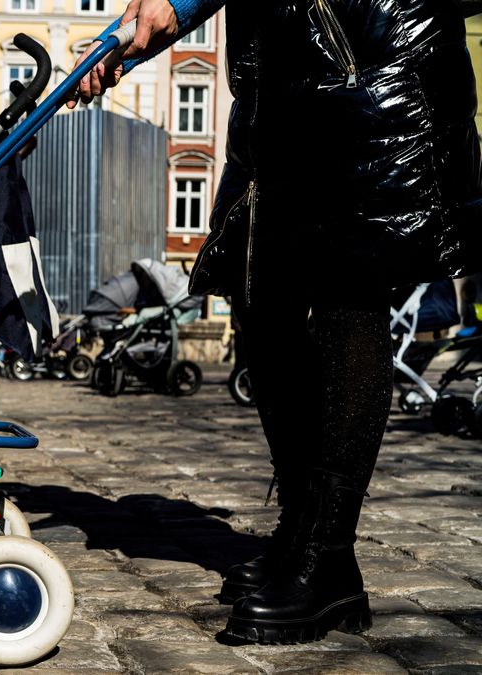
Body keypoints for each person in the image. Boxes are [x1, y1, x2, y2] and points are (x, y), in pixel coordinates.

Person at [72, 0, 482, 645]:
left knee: (351, 289)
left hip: (372, 52)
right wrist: (140, 30)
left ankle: (323, 552)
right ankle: (305, 537)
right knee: (257, 290)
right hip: (276, 66)